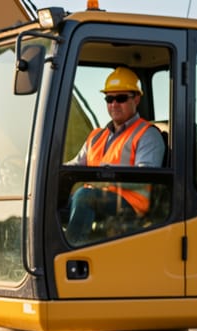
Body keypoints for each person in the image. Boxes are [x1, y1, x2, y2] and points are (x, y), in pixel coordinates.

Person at [65, 66, 165, 245]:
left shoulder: (148, 134)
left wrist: (107, 178)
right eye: (109, 99)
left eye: (121, 98)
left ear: (136, 98)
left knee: (83, 197)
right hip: (97, 197)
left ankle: (70, 251)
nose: (114, 104)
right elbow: (75, 165)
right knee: (51, 202)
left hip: (130, 205)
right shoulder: (96, 136)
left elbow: (147, 176)